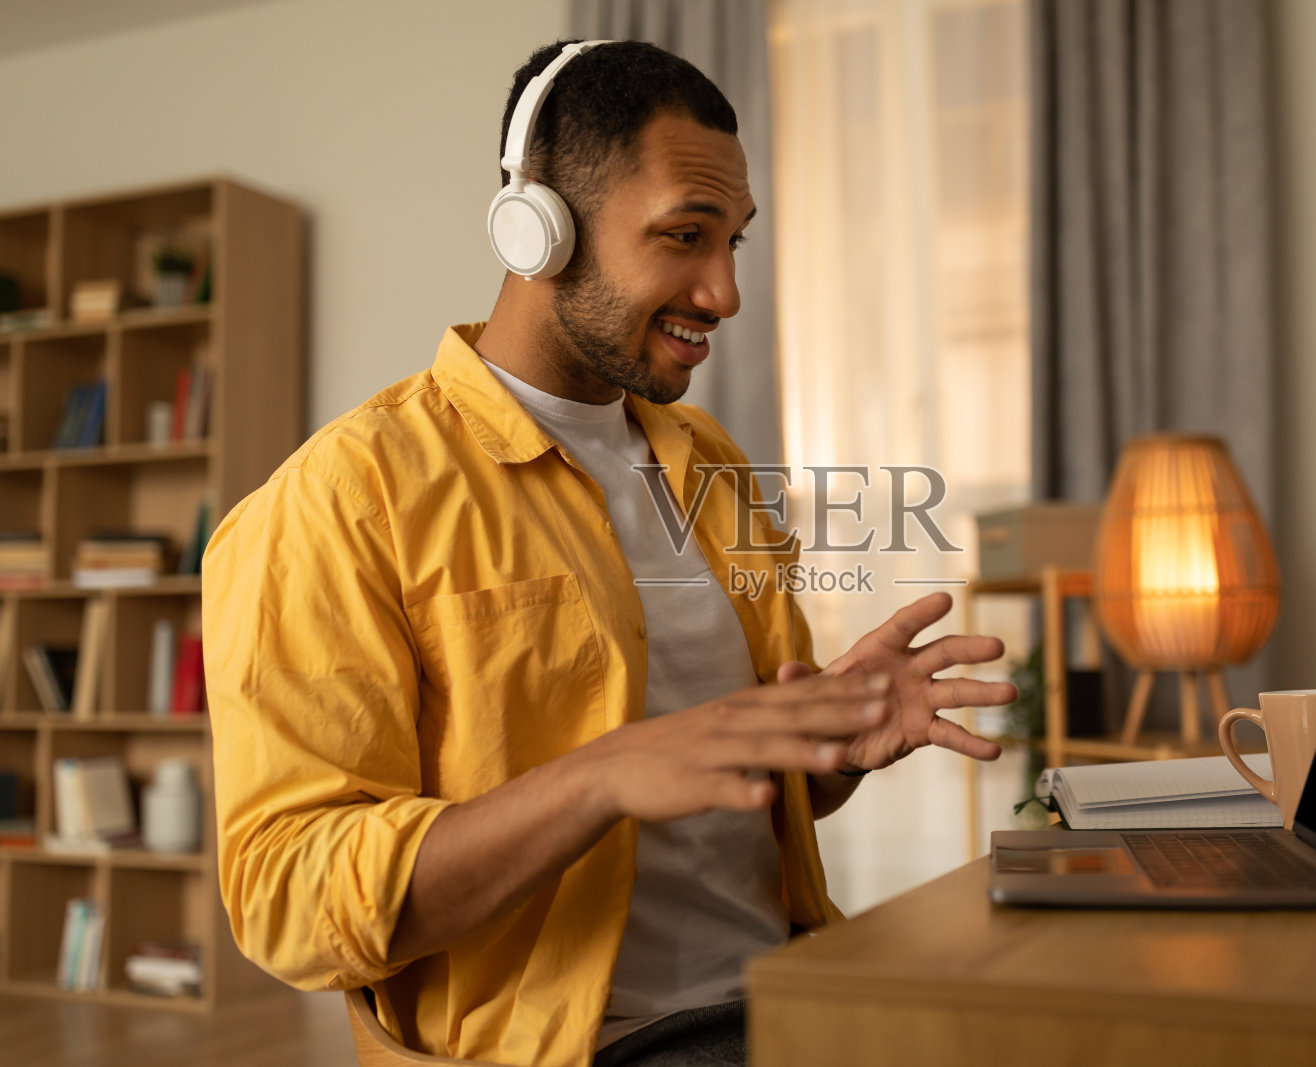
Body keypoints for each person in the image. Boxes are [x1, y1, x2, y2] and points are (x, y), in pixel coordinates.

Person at [203, 39, 1015, 1067]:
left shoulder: (706, 459)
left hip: (790, 989)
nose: (722, 291)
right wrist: (599, 775)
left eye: (733, 242)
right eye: (683, 235)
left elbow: (719, 801)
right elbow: (291, 898)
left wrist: (824, 752)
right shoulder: (338, 502)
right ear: (536, 228)